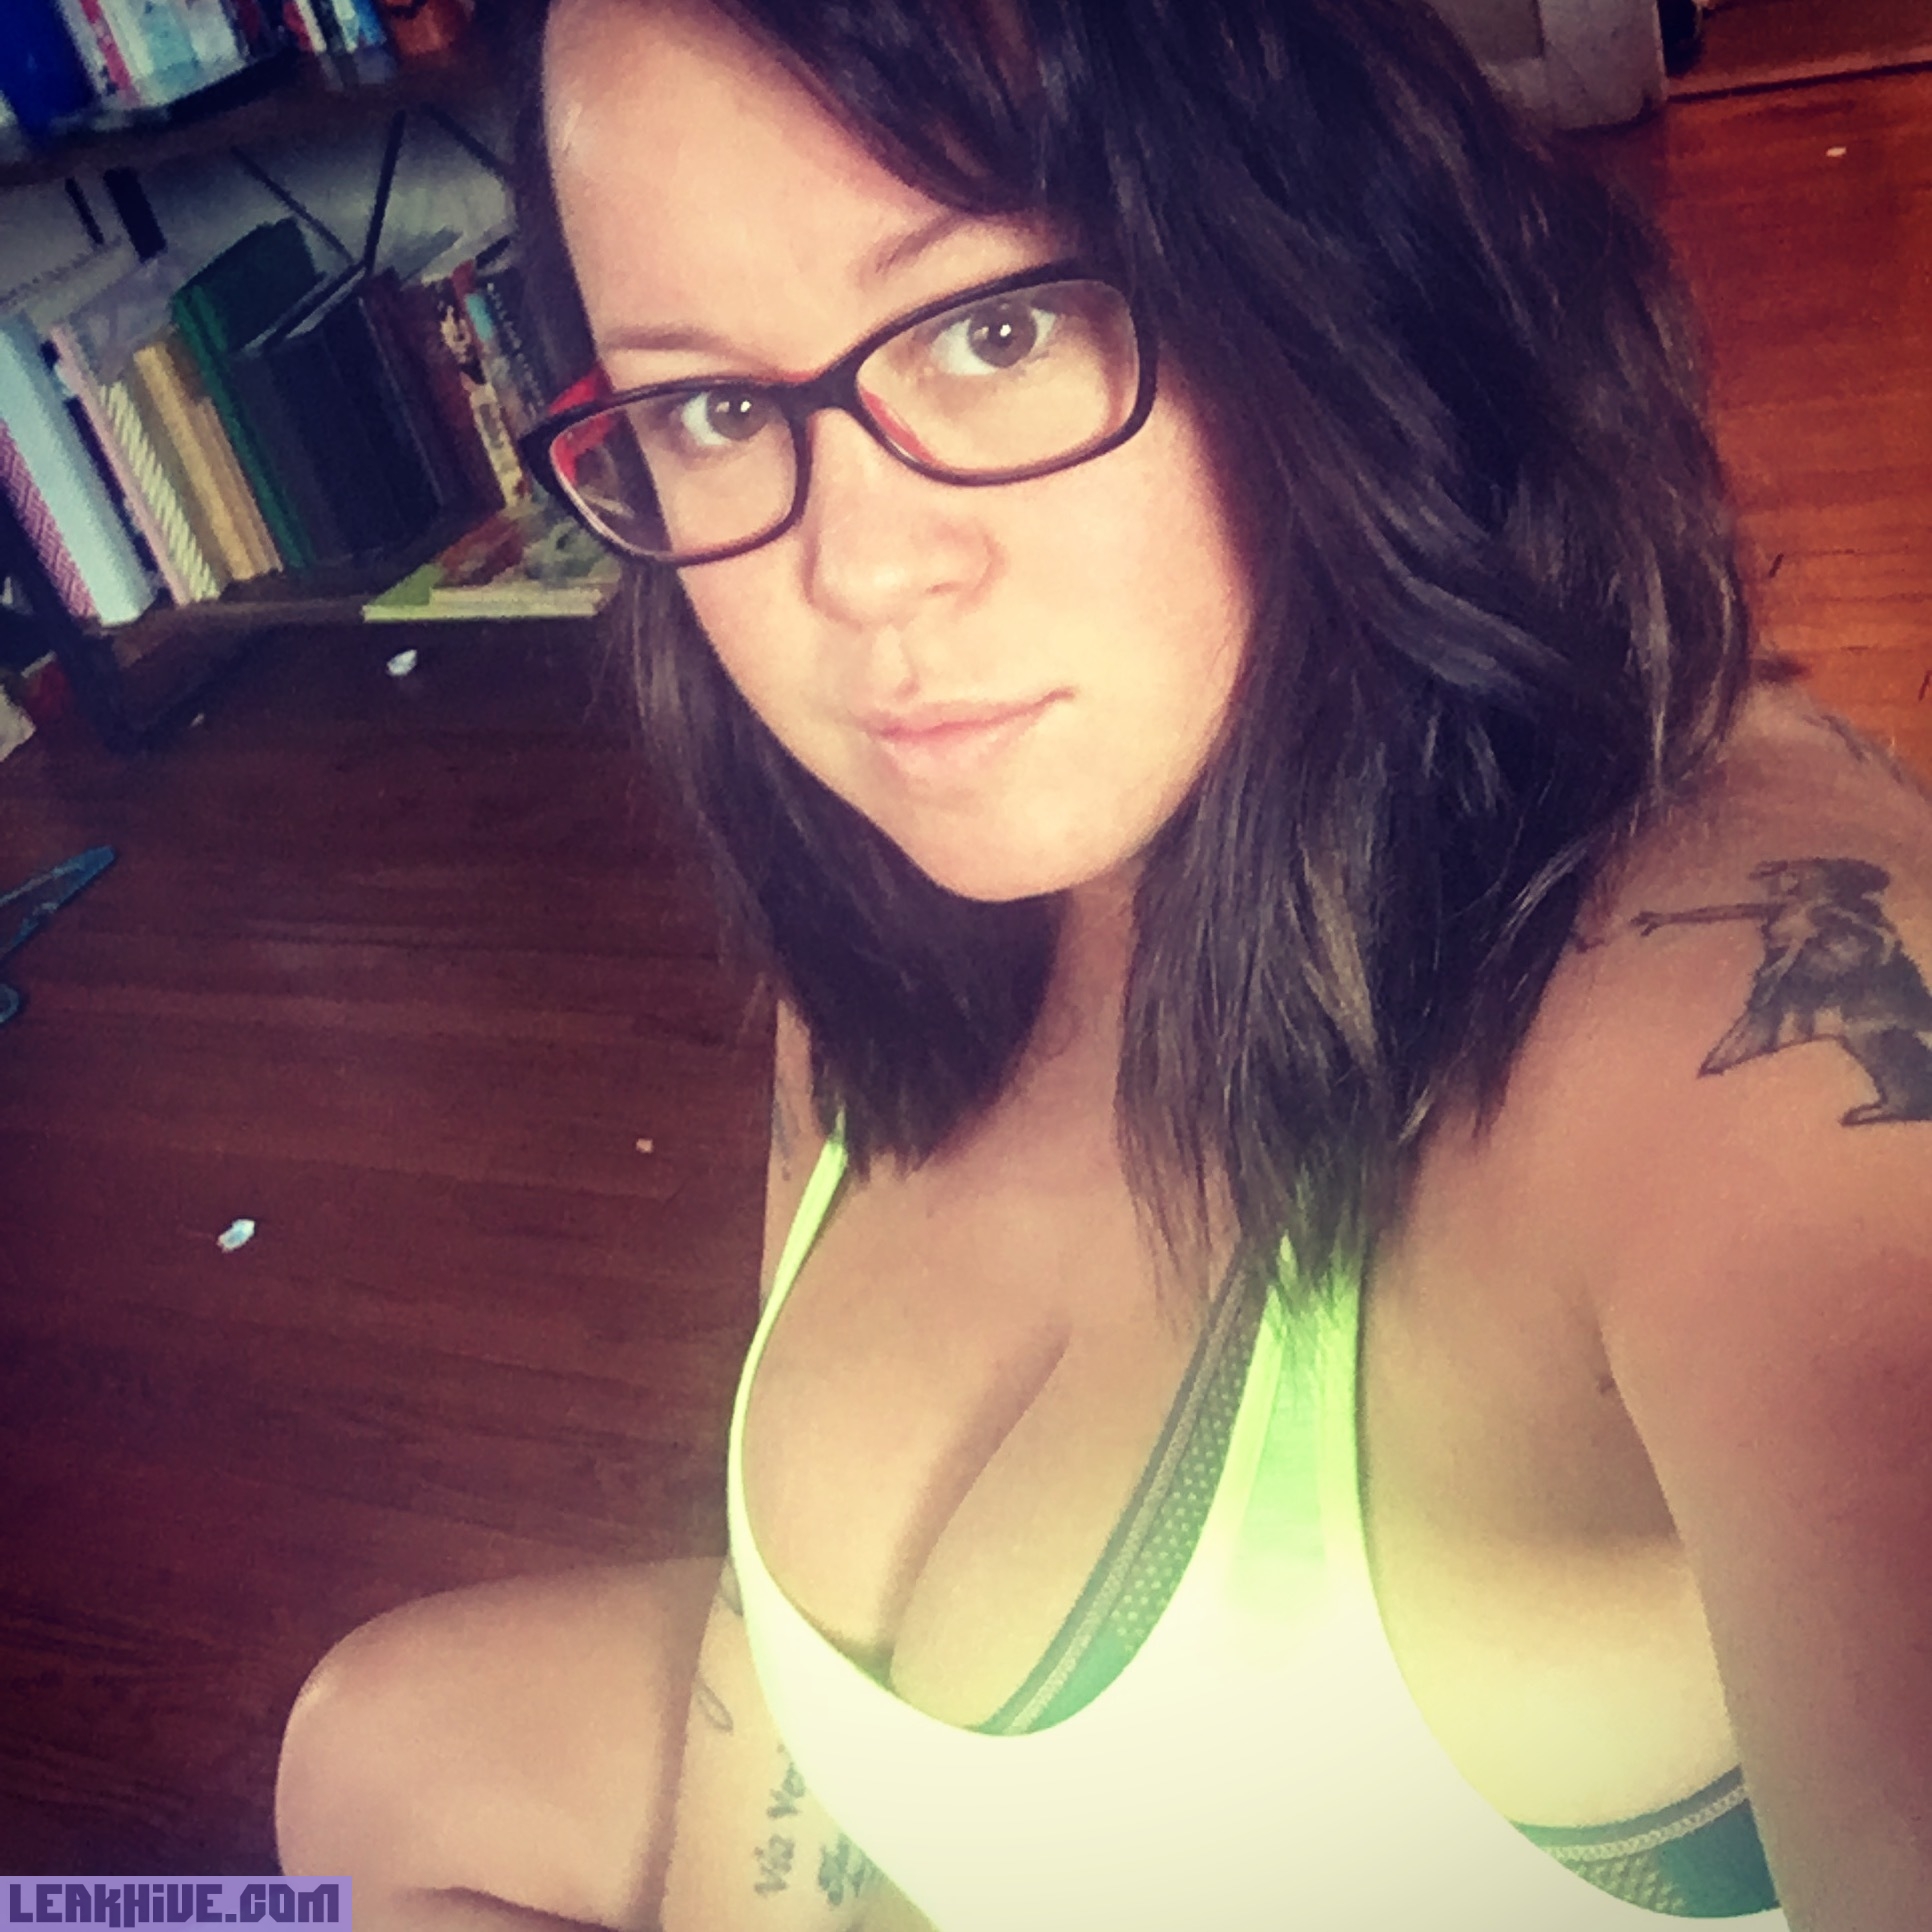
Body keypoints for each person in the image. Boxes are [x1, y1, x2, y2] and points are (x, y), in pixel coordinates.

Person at [273, 0, 1932, 1925]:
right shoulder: (902, 881)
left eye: (998, 330)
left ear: (1335, 257)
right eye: (713, 408)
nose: (857, 574)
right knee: (369, 1759)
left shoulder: (1731, 1026)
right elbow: (762, 1706)